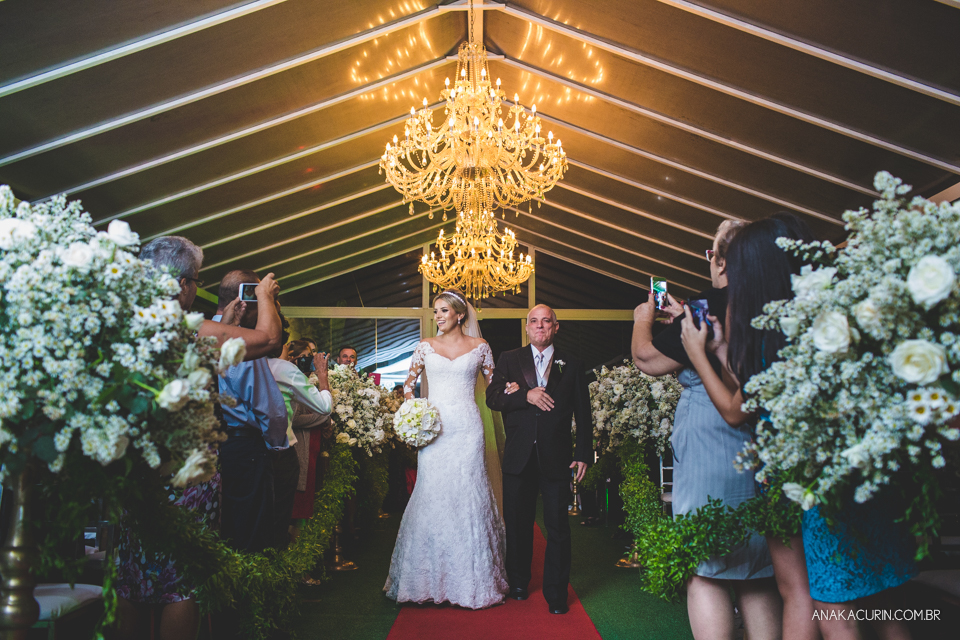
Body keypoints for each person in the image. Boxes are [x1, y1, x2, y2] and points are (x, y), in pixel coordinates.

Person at [682, 214, 915, 640]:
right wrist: (719, 347)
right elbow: (760, 397)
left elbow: (738, 410)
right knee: (882, 601)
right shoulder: (822, 320)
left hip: (808, 482)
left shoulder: (776, 333)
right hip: (864, 474)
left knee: (826, 603)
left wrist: (699, 354)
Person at [113, 237, 283, 640]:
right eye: (195, 282)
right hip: (186, 472)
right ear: (183, 284)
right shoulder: (185, 328)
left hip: (137, 471)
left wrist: (226, 318)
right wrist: (265, 297)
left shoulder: (129, 324)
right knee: (180, 581)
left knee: (132, 579)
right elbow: (270, 340)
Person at [633, 220, 785, 640]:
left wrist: (642, 318)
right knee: (757, 568)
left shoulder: (711, 305)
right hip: (755, 451)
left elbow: (645, 360)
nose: (709, 260)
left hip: (709, 448)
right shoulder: (765, 302)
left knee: (705, 568)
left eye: (711, 251)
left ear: (724, 259)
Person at [384, 289, 508, 609]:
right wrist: (416, 416)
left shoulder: (480, 347)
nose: (437, 316)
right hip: (433, 429)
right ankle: (425, 579)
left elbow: (494, 388)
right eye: (435, 311)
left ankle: (472, 580)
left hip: (468, 428)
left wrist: (515, 389)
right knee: (431, 493)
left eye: (443, 311)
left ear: (460, 315)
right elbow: (409, 387)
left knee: (468, 494)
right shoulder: (424, 346)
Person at [486, 304, 593, 615]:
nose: (540, 326)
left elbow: (583, 413)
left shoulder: (572, 363)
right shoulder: (509, 359)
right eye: (534, 321)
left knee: (558, 527)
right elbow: (494, 398)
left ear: (555, 327)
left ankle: (557, 594)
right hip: (519, 456)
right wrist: (525, 396)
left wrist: (583, 453)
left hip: (557, 456)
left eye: (547, 321)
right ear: (527, 327)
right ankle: (518, 582)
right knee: (517, 524)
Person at [215, 269, 290, 553]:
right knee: (249, 532)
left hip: (209, 447)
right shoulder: (242, 341)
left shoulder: (201, 332)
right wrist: (275, 443)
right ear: (244, 302)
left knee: (221, 526)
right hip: (243, 447)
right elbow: (268, 407)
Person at [267, 336, 332, 549]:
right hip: (285, 447)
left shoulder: (256, 366)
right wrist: (323, 376)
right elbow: (321, 408)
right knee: (286, 512)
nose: (309, 361)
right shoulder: (285, 370)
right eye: (304, 357)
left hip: (269, 448)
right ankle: (288, 559)